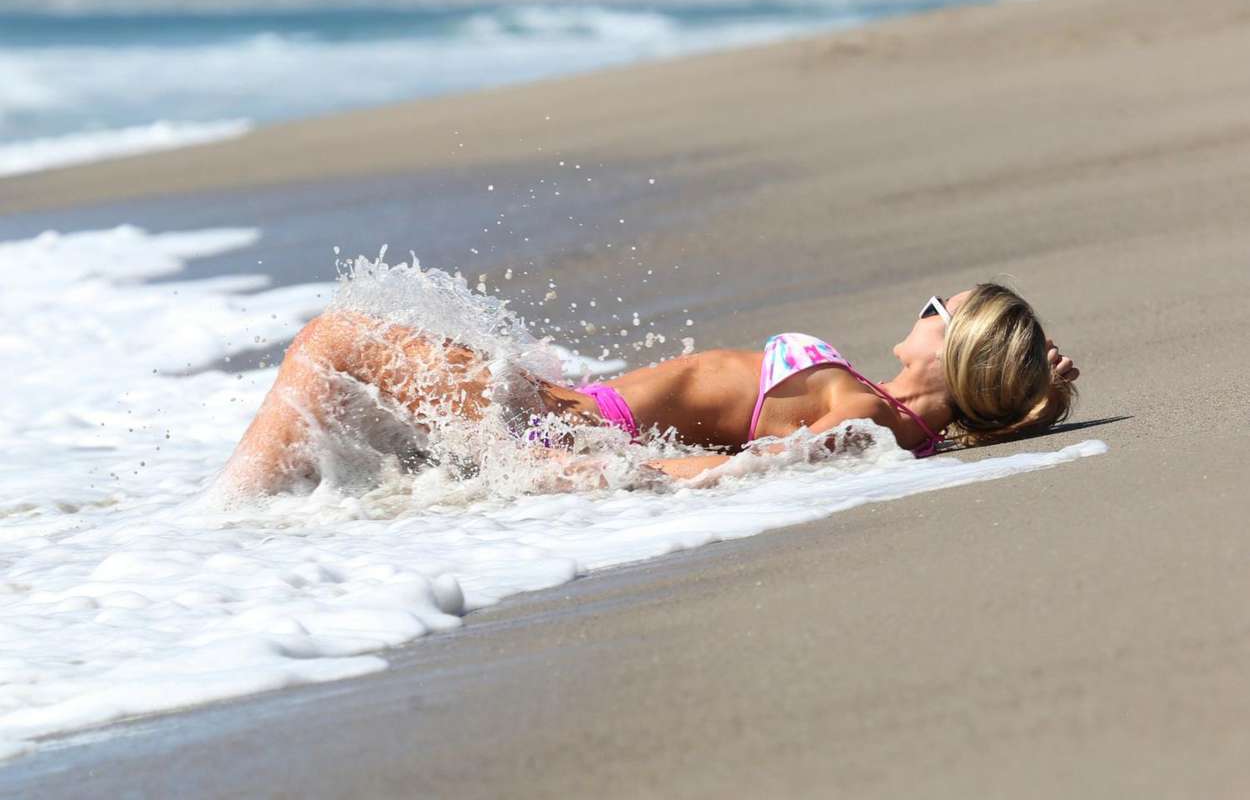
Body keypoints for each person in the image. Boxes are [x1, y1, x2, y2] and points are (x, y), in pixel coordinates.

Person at [220, 282, 1080, 494]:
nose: (922, 309)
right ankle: (252, 515)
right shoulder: (893, 420)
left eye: (939, 309)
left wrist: (591, 469)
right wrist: (1031, 396)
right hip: (556, 414)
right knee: (335, 374)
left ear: (957, 354)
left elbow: (741, 473)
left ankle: (226, 519)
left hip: (550, 426)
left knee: (330, 340)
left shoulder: (863, 416)